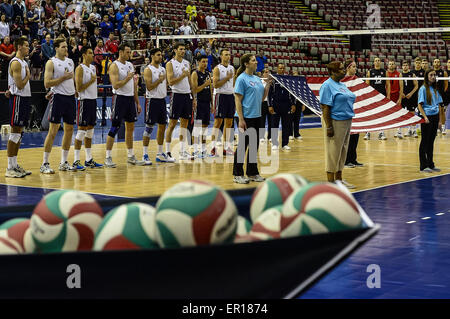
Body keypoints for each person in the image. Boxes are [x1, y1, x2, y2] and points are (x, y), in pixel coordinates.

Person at [233, 53, 272, 184]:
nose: (256, 62)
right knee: (242, 146)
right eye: (254, 61)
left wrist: (267, 86)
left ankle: (252, 172)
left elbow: (261, 98)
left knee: (254, 146)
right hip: (246, 117)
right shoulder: (241, 79)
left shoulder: (256, 78)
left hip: (257, 116)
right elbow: (238, 100)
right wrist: (241, 119)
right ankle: (237, 174)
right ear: (246, 64)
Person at [41, 37, 77, 174]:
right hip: (58, 98)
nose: (66, 49)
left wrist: (75, 90)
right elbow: (46, 83)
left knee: (69, 130)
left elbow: (71, 79)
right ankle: (45, 163)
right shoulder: (51, 63)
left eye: (66, 47)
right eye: (63, 47)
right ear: (56, 48)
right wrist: (63, 78)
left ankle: (64, 162)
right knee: (53, 131)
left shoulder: (70, 61)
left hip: (70, 99)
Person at [105, 43, 144, 167]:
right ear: (120, 52)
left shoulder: (130, 65)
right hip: (119, 98)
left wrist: (137, 102)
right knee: (114, 127)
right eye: (127, 52)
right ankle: (107, 157)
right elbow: (115, 85)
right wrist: (127, 78)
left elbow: (134, 87)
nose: (129, 54)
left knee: (130, 128)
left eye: (130, 52)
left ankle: (131, 156)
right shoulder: (114, 66)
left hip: (129, 99)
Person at [320, 61, 356, 189]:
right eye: (340, 69)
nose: (343, 71)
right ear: (333, 72)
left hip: (346, 120)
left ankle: (339, 180)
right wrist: (329, 126)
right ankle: (330, 182)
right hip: (335, 121)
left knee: (342, 151)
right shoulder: (327, 85)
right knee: (333, 152)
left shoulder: (341, 85)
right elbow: (325, 107)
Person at [165, 42, 197, 161]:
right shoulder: (170, 64)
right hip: (176, 95)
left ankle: (183, 151)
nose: (183, 51)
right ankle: (168, 151)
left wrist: (193, 97)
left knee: (185, 124)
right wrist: (182, 75)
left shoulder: (187, 63)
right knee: (172, 124)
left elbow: (189, 81)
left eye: (184, 49)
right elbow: (171, 81)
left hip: (186, 96)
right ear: (175, 50)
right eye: (180, 49)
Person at [73, 46, 104, 170]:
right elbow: (79, 88)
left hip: (93, 100)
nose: (93, 55)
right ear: (84, 55)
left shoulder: (93, 67)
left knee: (90, 131)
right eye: (90, 53)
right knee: (81, 131)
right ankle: (76, 160)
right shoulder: (80, 68)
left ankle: (89, 159)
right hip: (84, 101)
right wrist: (91, 81)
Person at [6, 37, 31, 178]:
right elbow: (20, 85)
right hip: (18, 99)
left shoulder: (23, 62)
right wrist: (28, 76)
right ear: (19, 47)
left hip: (24, 98)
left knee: (19, 133)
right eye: (26, 46)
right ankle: (9, 167)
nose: (28, 48)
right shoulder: (15, 63)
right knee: (15, 132)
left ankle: (15, 165)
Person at [142, 48, 173, 164]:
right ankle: (144, 154)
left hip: (162, 101)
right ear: (152, 56)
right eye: (158, 55)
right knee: (149, 128)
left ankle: (160, 153)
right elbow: (149, 87)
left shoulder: (163, 69)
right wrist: (159, 80)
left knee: (162, 127)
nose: (161, 57)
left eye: (161, 55)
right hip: (152, 100)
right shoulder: (148, 69)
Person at [417, 69, 444, 173]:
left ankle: (430, 164)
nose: (433, 77)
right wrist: (425, 117)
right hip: (427, 118)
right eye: (431, 75)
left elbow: (439, 105)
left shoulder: (435, 89)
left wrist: (440, 121)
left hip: (435, 117)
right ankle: (423, 166)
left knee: (431, 142)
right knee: (424, 141)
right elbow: (420, 105)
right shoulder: (423, 89)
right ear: (427, 76)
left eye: (434, 75)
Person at [210, 48, 235, 157]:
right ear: (221, 56)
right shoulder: (217, 69)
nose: (227, 56)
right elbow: (215, 85)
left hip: (230, 96)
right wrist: (227, 78)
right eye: (225, 54)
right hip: (220, 96)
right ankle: (213, 148)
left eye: (229, 54)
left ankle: (226, 147)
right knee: (218, 123)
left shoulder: (232, 68)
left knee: (229, 123)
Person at [268, 63, 295, 151]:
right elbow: (269, 94)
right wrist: (270, 105)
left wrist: (293, 104)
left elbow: (293, 94)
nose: (282, 69)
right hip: (276, 105)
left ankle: (285, 144)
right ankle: (275, 144)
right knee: (274, 125)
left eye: (283, 68)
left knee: (286, 125)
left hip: (286, 105)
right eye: (280, 68)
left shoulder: (288, 80)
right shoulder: (273, 80)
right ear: (277, 69)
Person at [191, 54, 213, 159]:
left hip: (207, 102)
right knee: (197, 127)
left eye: (206, 62)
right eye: (203, 61)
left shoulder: (208, 73)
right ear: (198, 62)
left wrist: (212, 103)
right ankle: (195, 150)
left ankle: (203, 150)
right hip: (198, 102)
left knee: (205, 128)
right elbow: (194, 90)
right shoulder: (195, 73)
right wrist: (206, 84)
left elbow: (211, 89)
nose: (205, 64)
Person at [364, 57, 390, 140]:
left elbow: (388, 84)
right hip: (372, 96)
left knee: (381, 114)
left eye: (379, 60)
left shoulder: (385, 72)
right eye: (376, 61)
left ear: (381, 62)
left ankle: (381, 132)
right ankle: (368, 132)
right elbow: (367, 85)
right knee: (370, 114)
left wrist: (388, 95)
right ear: (374, 63)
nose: (377, 62)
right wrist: (367, 96)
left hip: (382, 95)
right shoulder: (370, 72)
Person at [344, 59, 363, 168]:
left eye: (356, 66)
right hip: (346, 112)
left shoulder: (357, 80)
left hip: (356, 111)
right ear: (348, 68)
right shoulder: (343, 80)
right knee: (348, 139)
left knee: (355, 137)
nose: (355, 69)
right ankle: (346, 160)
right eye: (353, 67)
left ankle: (353, 159)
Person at [399, 60, 418, 138]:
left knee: (412, 113)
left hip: (411, 97)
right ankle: (399, 131)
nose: (405, 66)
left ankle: (413, 130)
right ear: (402, 67)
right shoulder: (400, 75)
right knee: (402, 113)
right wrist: (401, 93)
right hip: (403, 97)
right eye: (404, 65)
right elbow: (400, 86)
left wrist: (411, 93)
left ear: (408, 66)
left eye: (406, 65)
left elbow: (416, 86)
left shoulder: (412, 74)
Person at [386, 60, 404, 138]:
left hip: (396, 95)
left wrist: (400, 98)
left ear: (395, 65)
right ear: (388, 65)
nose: (391, 65)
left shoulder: (399, 74)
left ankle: (399, 131)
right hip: (388, 95)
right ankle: (382, 131)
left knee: (399, 114)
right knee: (386, 114)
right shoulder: (385, 73)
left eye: (392, 64)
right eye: (390, 64)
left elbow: (401, 87)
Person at [432, 58, 448, 135]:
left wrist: (442, 93)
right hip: (432, 95)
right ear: (433, 63)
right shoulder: (431, 72)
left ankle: (443, 127)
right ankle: (436, 127)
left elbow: (446, 84)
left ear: (440, 63)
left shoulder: (443, 72)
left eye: (438, 62)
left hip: (441, 95)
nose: (437, 63)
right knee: (434, 111)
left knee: (442, 111)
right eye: (435, 62)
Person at [410, 57, 424, 138]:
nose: (418, 64)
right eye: (416, 62)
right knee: (412, 112)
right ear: (414, 63)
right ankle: (412, 129)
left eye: (419, 63)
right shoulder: (411, 72)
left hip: (421, 94)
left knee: (421, 112)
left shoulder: (424, 72)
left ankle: (420, 128)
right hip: (413, 95)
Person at [259, 68, 272, 143]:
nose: (267, 73)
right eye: (266, 72)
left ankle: (271, 136)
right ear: (263, 74)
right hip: (262, 103)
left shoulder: (272, 82)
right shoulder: (260, 82)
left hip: (271, 103)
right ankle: (261, 136)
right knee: (262, 120)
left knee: (272, 120)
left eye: (268, 72)